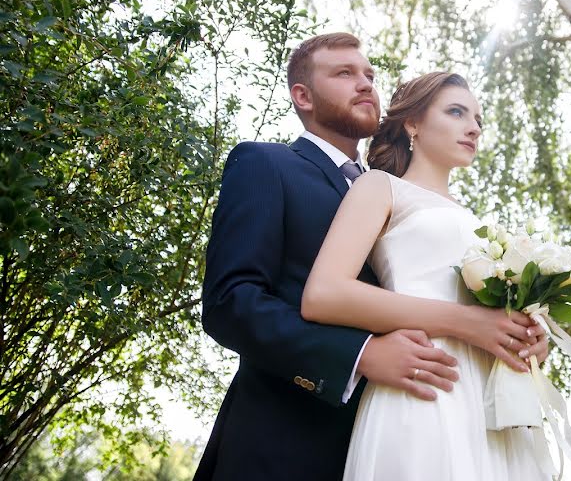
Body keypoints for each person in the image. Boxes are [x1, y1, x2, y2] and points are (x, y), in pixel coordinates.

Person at [195, 33, 546, 480]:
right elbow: (231, 302)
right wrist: (357, 355)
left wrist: (517, 335)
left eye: (370, 75)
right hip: (285, 441)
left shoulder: (402, 192)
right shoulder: (266, 165)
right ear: (302, 95)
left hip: (413, 424)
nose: (365, 84)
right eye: (344, 73)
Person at [302, 72, 551, 480]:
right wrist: (468, 322)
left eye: (478, 120)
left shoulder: (480, 225)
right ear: (412, 123)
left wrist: (527, 339)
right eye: (456, 112)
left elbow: (492, 321)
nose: (473, 128)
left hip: (491, 406)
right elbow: (324, 294)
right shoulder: (380, 188)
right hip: (425, 380)